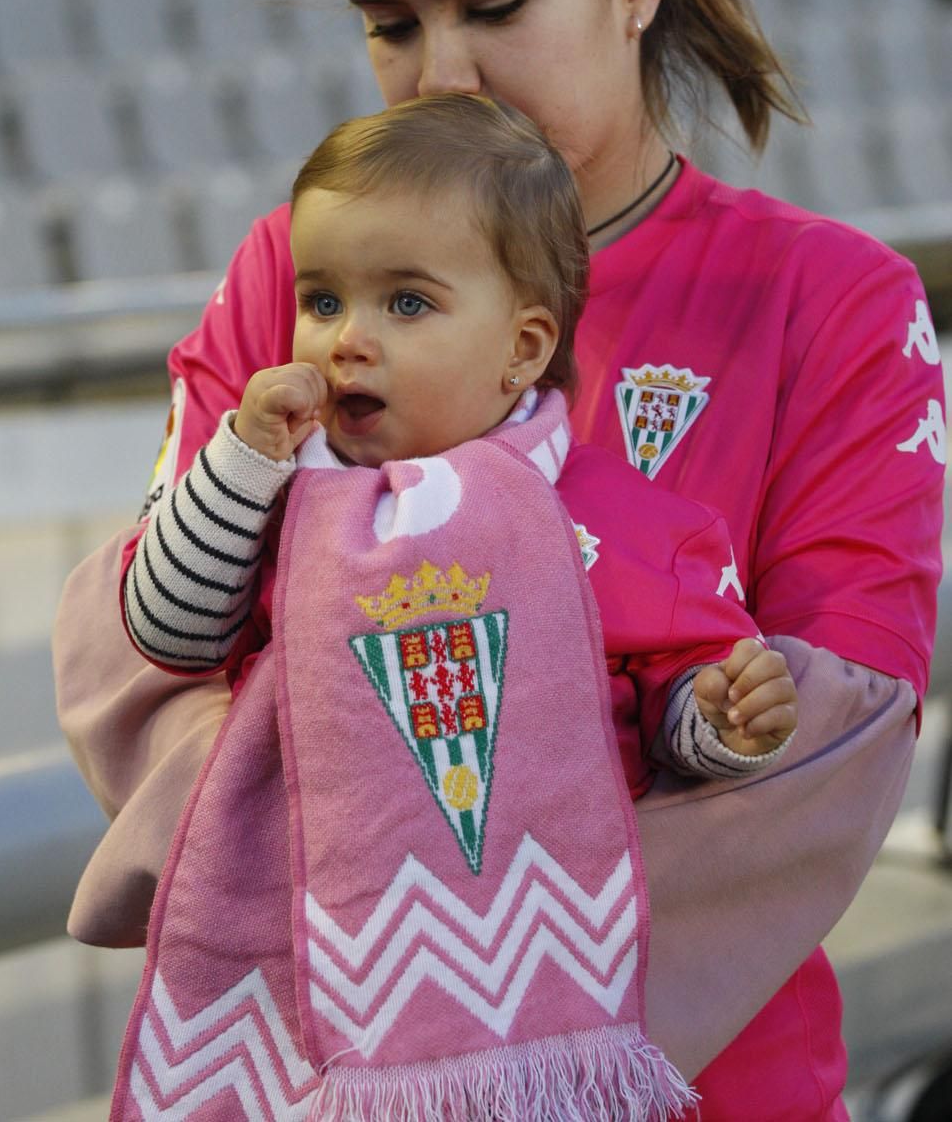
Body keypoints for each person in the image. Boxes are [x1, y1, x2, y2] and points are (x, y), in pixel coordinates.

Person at [54, 0, 945, 1120]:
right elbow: (157, 662)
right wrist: (386, 978)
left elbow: (825, 742)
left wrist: (499, 1013)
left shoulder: (831, 298)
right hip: (321, 1075)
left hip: (702, 1075)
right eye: (388, 21)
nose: (438, 70)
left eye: (493, 3)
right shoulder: (295, 265)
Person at [123, 93, 799, 799]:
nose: (346, 340)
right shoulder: (276, 490)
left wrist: (723, 717)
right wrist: (241, 459)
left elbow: (669, 706)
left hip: (539, 893)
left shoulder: (617, 523)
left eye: (407, 302)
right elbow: (170, 633)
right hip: (303, 894)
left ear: (523, 346)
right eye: (323, 301)